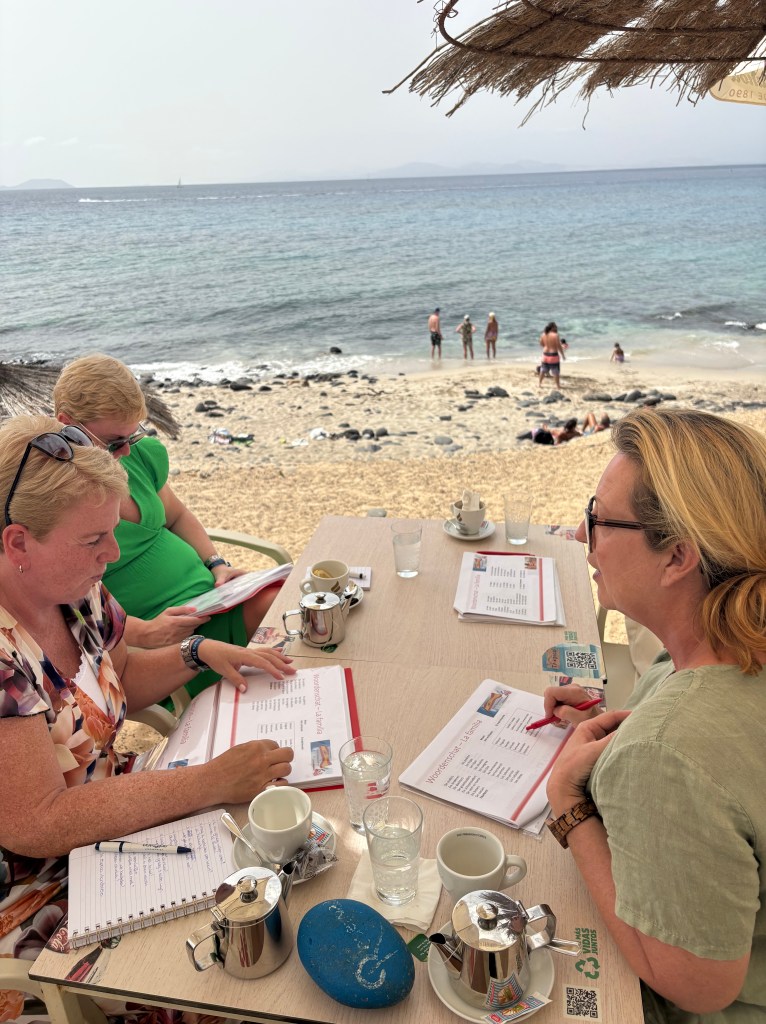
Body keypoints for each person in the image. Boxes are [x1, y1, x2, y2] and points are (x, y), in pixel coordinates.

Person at [0, 415, 296, 1023]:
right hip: (40, 891)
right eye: (93, 540)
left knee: (282, 873)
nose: (111, 555)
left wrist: (196, 653)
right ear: (17, 542)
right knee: (244, 985)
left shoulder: (75, 590)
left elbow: (121, 682)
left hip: (117, 819)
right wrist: (207, 782)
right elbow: (37, 824)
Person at [542, 408, 765, 1022]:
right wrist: (629, 719)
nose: (587, 542)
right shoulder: (732, 643)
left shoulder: (668, 756)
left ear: (677, 558)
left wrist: (569, 802)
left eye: (600, 522)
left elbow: (697, 986)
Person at [53, 354, 281, 699]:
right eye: (114, 442)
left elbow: (177, 516)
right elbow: (68, 611)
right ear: (67, 425)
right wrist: (145, 632)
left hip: (210, 602)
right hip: (157, 639)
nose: (127, 451)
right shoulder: (54, 499)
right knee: (275, 661)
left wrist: (217, 565)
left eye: (134, 435)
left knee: (285, 606)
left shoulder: (137, 457)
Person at [538, 321, 566, 389]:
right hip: (553, 356)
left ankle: (539, 384)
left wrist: (547, 346)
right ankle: (558, 386)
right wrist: (562, 355)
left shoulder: (543, 334)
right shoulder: (555, 335)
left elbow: (541, 344)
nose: (557, 328)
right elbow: (559, 346)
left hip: (545, 355)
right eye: (555, 327)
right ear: (552, 327)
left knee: (543, 370)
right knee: (556, 372)